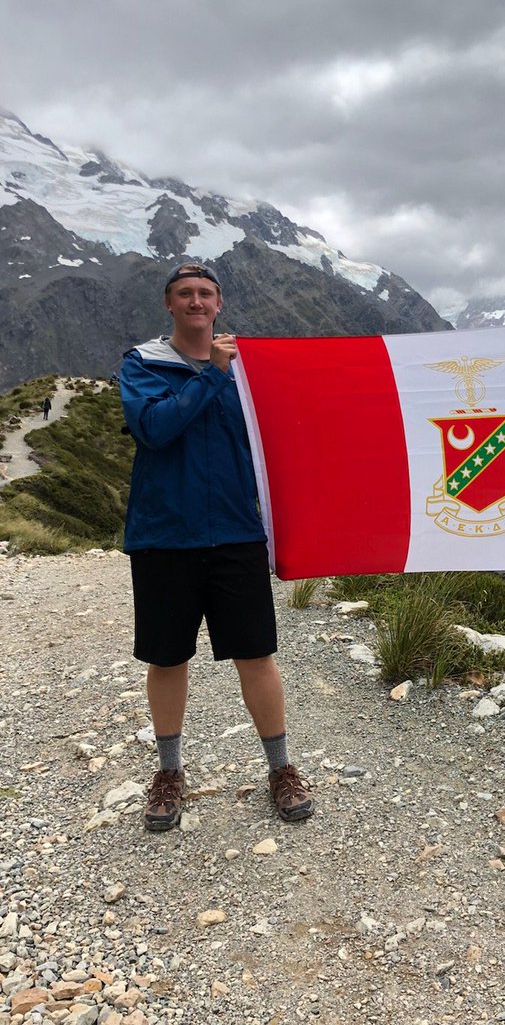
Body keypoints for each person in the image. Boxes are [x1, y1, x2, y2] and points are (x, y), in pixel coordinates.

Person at [119, 261, 314, 831]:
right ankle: (170, 773)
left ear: (219, 303)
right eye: (185, 294)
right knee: (167, 655)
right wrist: (211, 376)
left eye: (205, 293)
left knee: (256, 653)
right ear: (169, 304)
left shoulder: (248, 371)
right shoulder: (143, 364)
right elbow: (154, 428)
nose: (196, 301)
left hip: (235, 533)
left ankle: (280, 769)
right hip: (164, 535)